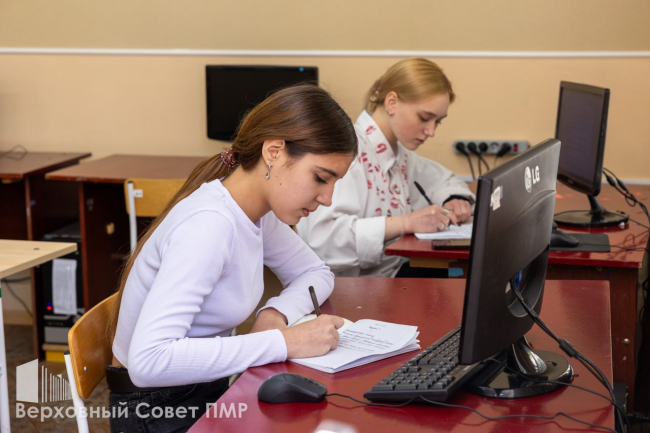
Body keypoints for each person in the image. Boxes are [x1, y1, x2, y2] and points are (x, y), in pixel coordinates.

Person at [106, 85, 358, 432]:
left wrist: (275, 313)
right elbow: (149, 362)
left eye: (334, 183)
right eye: (320, 178)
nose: (327, 198)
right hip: (158, 408)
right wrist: (284, 342)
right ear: (274, 152)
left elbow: (316, 272)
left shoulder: (255, 213)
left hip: (201, 386)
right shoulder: (210, 225)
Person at [296, 58, 474, 278]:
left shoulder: (399, 154)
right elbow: (324, 242)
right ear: (392, 102)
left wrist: (455, 199)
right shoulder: (347, 153)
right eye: (425, 118)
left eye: (437, 122)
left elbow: (442, 180)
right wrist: (405, 223)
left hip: (392, 273)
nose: (431, 131)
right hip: (346, 286)